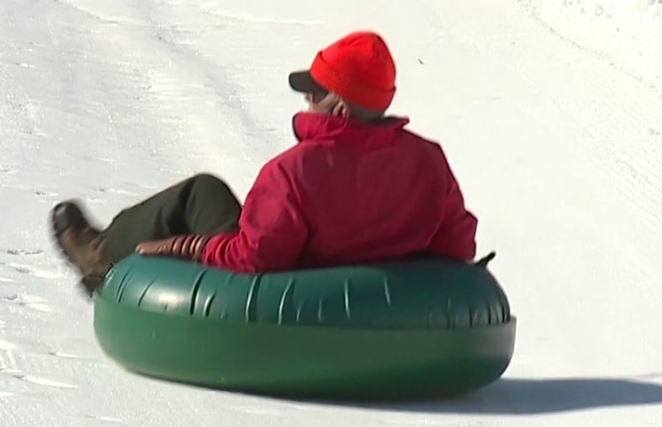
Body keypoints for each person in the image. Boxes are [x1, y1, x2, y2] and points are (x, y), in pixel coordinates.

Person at [50, 30, 478, 296]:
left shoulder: (294, 171)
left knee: (201, 192)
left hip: (287, 284)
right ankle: (106, 252)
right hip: (369, 291)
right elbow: (457, 247)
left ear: (342, 110)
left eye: (315, 94)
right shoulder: (427, 162)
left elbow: (254, 259)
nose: (307, 101)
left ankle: (99, 253)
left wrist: (183, 247)